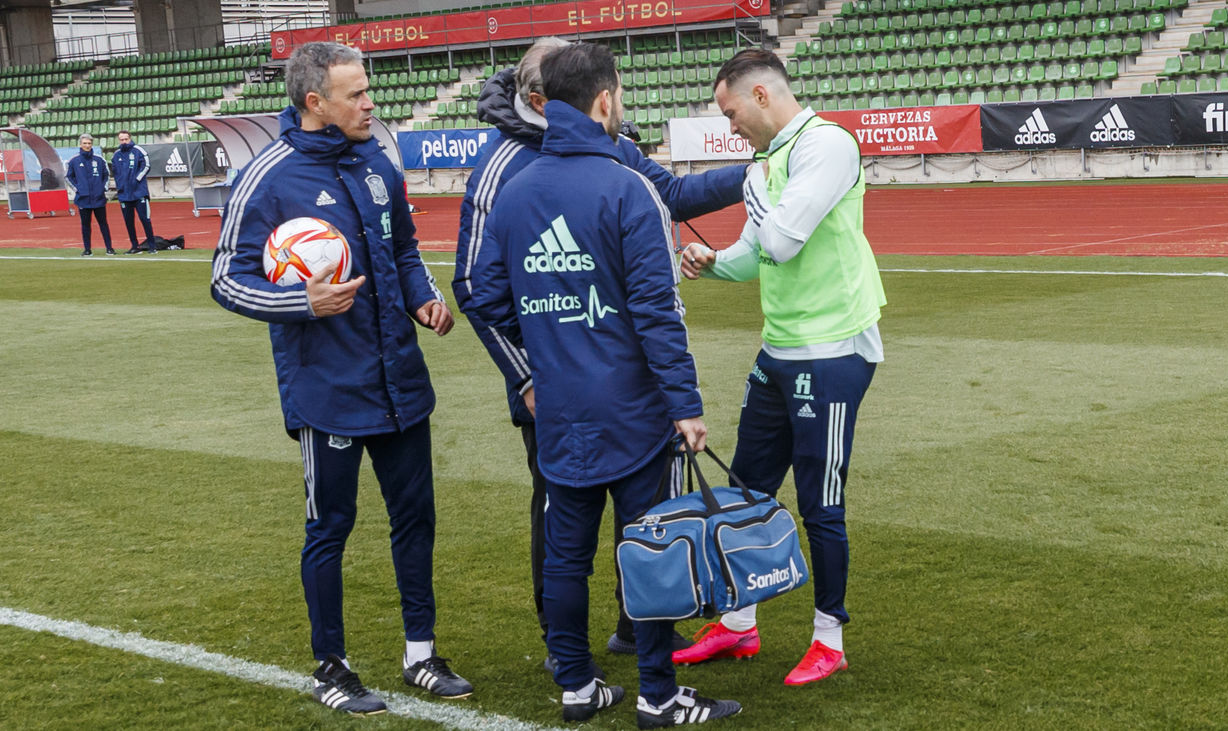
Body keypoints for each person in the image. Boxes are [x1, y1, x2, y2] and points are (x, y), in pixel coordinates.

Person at [465, 42, 742, 728]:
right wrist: (686, 403)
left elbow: (485, 294)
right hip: (633, 406)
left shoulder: (518, 187)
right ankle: (656, 693)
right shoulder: (627, 187)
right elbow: (656, 310)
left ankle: (577, 685)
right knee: (652, 549)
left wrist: (547, 342)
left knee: (567, 554)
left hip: (559, 405)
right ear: (605, 100)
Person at [209, 41, 470, 716]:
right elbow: (224, 279)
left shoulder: (379, 161)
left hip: (401, 381)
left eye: (368, 90)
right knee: (331, 526)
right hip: (326, 388)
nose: (370, 102)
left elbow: (404, 247)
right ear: (313, 101)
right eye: (355, 94)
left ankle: (421, 653)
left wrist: (423, 296)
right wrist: (304, 302)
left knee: (416, 519)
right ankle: (332, 665)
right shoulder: (266, 176)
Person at [676, 48, 887, 687]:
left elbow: (782, 240)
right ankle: (739, 626)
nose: (730, 126)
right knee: (745, 489)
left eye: (732, 111)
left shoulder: (827, 147)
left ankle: (830, 637)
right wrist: (713, 262)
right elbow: (752, 256)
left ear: (763, 95)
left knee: (820, 501)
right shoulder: (766, 165)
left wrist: (754, 195)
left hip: (831, 353)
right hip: (780, 349)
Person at [66, 133, 114, 256]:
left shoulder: (99, 160)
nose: (87, 146)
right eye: (85, 143)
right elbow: (68, 177)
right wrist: (78, 189)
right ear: (80, 145)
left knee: (103, 224)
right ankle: (87, 249)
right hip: (83, 199)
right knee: (85, 225)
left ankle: (109, 248)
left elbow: (106, 175)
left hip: (99, 198)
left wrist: (103, 188)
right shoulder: (74, 161)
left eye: (89, 143)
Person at [111, 130, 157, 254]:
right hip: (124, 194)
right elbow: (114, 171)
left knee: (145, 219)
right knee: (128, 222)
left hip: (139, 192)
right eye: (121, 139)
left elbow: (147, 166)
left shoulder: (139, 151)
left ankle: (152, 246)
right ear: (118, 140)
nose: (124, 142)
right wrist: (120, 184)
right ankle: (134, 246)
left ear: (130, 138)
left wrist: (136, 179)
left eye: (126, 139)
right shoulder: (116, 155)